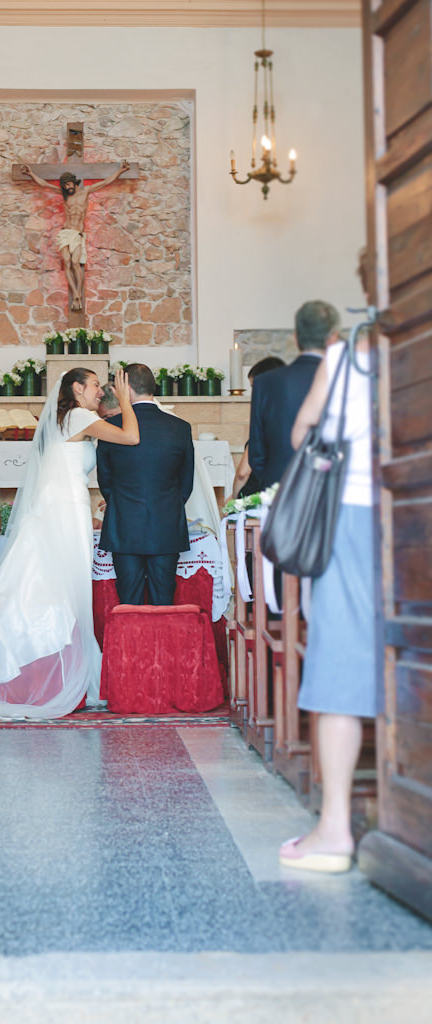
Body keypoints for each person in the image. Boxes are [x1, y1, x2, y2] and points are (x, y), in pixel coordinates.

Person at [0, 366, 139, 719]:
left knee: (63, 583)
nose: (99, 391)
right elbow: (131, 437)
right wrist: (124, 400)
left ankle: (66, 669)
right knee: (65, 585)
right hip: (64, 507)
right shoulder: (77, 415)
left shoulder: (71, 417)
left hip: (64, 503)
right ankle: (61, 673)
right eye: (93, 385)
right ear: (76, 388)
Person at [279, 329, 376, 873]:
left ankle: (336, 828)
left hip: (354, 513)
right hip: (412, 510)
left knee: (339, 657)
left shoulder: (345, 357)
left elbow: (301, 436)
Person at [97, 363, 194, 605]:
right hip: (166, 524)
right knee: (164, 598)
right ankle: (163, 643)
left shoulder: (112, 426)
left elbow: (105, 479)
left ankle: (130, 644)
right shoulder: (180, 427)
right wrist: (168, 506)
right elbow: (186, 481)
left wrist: (121, 504)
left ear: (126, 389)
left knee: (129, 600)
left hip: (125, 524)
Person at [248, 301, 340, 489]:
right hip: (331, 489)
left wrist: (274, 483)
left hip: (279, 489)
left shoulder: (265, 382)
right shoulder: (344, 378)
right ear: (333, 338)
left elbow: (256, 456)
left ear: (296, 338)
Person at [20, 161, 131, 311]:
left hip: (77, 234)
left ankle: (78, 293)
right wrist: (31, 173)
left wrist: (120, 172)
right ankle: (75, 294)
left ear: (73, 181)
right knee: (66, 261)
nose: (67, 188)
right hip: (66, 233)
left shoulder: (86, 191)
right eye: (64, 186)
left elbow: (106, 181)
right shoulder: (64, 194)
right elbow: (44, 184)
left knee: (75, 262)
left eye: (68, 184)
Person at [226, 357, 286, 502]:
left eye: (254, 387)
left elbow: (243, 473)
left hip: (257, 499)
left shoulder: (265, 420)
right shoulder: (292, 415)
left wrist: (233, 499)